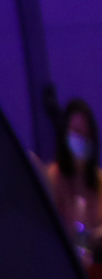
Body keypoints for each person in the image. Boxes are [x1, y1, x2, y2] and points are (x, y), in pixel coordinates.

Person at [48, 97, 100, 267]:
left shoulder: (99, 180)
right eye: (76, 133)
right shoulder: (53, 178)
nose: (81, 140)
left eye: (86, 135)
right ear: (65, 135)